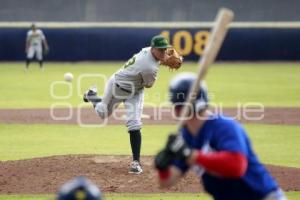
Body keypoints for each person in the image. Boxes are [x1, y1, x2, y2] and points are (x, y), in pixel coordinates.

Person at [154, 73, 286, 200]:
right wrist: (163, 167)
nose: (175, 110)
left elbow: (237, 166)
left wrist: (191, 155)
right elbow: (166, 182)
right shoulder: (186, 135)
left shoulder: (223, 126)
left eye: (176, 106)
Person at [83, 35, 182, 174]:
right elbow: (150, 85)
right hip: (116, 85)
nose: (164, 53)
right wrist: (162, 62)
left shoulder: (148, 51)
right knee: (102, 113)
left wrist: (161, 59)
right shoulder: (149, 67)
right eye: (160, 50)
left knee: (134, 123)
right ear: (153, 49)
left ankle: (136, 163)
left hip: (134, 92)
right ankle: (91, 95)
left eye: (165, 50)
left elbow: (146, 80)